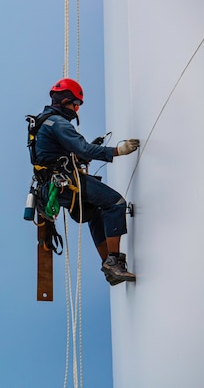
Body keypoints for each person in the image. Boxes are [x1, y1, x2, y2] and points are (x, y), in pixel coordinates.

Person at [33, 78, 139, 286]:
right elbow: (82, 149)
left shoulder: (42, 123)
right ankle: (113, 263)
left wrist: (83, 155)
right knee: (115, 202)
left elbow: (60, 155)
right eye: (76, 105)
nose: (76, 110)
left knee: (96, 213)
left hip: (53, 185)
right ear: (66, 101)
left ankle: (109, 266)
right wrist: (117, 151)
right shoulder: (58, 123)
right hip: (64, 182)